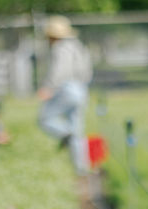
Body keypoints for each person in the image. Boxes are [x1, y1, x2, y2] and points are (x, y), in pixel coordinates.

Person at [36, 15, 93, 175]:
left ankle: (64, 134)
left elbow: (60, 71)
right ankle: (81, 169)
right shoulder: (78, 46)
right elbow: (87, 71)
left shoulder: (60, 48)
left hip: (67, 89)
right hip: (82, 89)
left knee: (45, 119)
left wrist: (48, 87)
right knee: (77, 128)